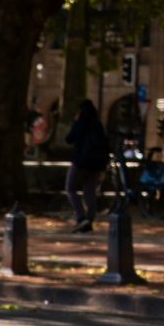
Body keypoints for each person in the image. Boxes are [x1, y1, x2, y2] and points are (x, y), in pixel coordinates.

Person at [64, 98, 109, 232]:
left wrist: (75, 122)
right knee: (90, 192)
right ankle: (90, 219)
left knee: (70, 188)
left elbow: (68, 139)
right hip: (95, 164)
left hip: (80, 162)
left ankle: (81, 217)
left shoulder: (80, 123)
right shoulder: (97, 125)